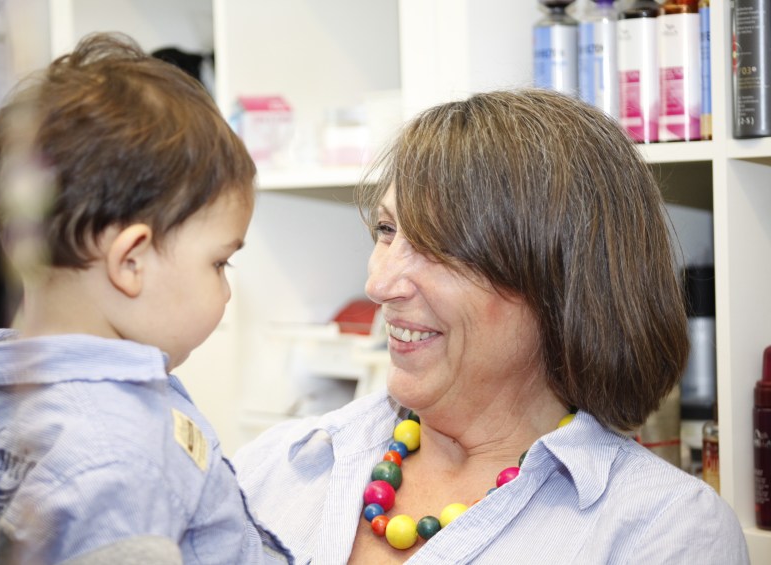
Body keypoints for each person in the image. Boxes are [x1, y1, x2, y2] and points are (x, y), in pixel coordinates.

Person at [232, 89, 749, 564]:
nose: (379, 283)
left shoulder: (663, 532)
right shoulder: (281, 466)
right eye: (387, 230)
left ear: (560, 284)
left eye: (438, 247)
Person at [0, 32, 291, 565]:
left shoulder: (19, 397)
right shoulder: (118, 457)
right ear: (131, 262)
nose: (227, 290)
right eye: (219, 263)